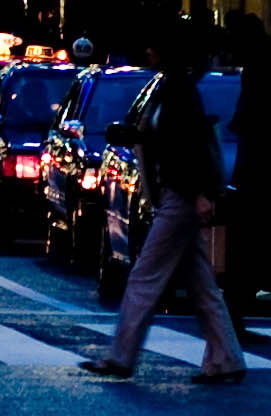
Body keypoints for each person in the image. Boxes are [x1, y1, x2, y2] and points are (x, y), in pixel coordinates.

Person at [84, 29, 248, 383]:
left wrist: (199, 192)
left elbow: (187, 147)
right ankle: (226, 358)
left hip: (181, 195)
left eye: (153, 45)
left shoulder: (177, 93)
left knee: (145, 276)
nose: (147, 49)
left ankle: (121, 356)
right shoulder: (172, 88)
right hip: (182, 194)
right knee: (201, 284)